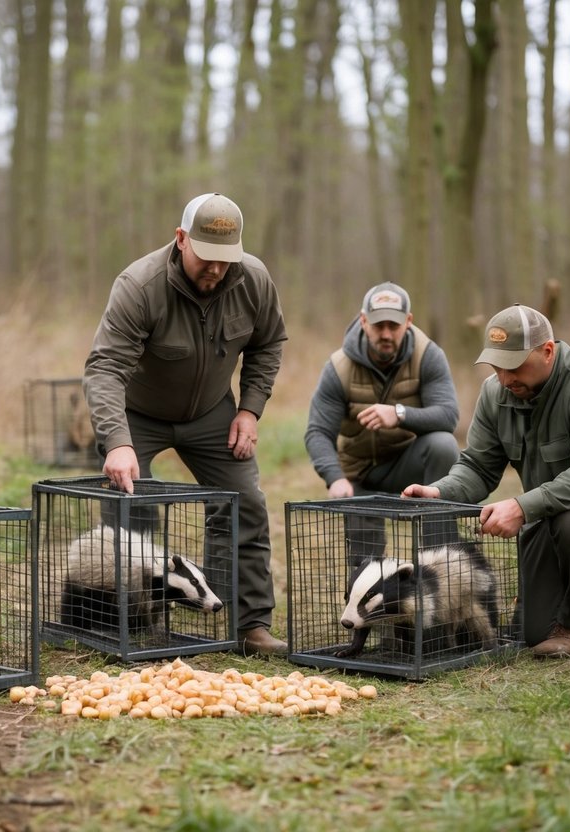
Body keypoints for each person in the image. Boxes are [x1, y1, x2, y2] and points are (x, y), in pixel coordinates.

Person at [83, 192, 288, 656]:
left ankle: (248, 626)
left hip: (213, 412)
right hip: (138, 414)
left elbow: (269, 343)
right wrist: (117, 442)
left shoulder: (253, 280)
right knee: (129, 508)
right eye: (207, 258)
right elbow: (105, 368)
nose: (216, 269)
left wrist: (250, 409)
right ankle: (128, 626)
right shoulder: (140, 285)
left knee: (245, 505)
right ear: (181, 239)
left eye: (226, 259)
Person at [403, 304, 570, 658]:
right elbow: (479, 466)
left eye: (514, 366)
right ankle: (550, 620)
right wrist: (439, 490)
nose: (506, 377)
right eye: (497, 366)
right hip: (549, 513)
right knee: (531, 634)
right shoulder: (495, 393)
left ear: (547, 352)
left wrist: (521, 507)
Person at [304, 282, 460, 556]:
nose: (386, 334)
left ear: (408, 322)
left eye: (394, 325)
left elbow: (448, 415)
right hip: (359, 474)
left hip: (407, 464)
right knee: (366, 568)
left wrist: (399, 414)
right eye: (378, 325)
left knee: (444, 445)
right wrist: (335, 478)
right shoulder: (338, 368)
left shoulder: (429, 356)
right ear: (363, 321)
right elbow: (317, 432)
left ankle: (441, 558)